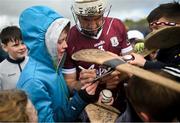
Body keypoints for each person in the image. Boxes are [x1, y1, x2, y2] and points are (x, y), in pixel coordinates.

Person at [17, 6, 99, 122]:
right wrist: (80, 99)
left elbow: (61, 100)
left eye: (65, 39)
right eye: (59, 41)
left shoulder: (51, 65)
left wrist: (82, 89)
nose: (66, 45)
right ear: (44, 43)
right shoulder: (34, 81)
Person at [62, 0, 132, 112]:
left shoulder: (117, 25)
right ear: (77, 15)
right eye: (86, 19)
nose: (93, 25)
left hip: (122, 98)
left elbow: (132, 66)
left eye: (98, 18)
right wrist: (82, 84)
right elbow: (69, 84)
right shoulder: (69, 38)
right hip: (90, 105)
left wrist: (118, 77)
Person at [129, 1, 180, 69]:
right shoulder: (164, 50)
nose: (153, 33)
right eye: (151, 30)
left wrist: (145, 63)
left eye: (157, 28)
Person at [0, 26, 28, 90]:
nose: (21, 47)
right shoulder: (1, 69)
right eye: (16, 45)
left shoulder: (33, 63)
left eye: (23, 43)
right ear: (4, 47)